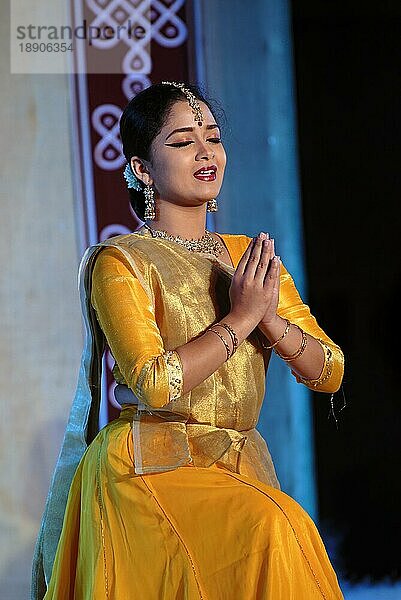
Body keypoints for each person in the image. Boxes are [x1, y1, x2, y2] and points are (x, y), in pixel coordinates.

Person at [32, 82, 345, 599]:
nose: (205, 152)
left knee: (278, 527)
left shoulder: (248, 255)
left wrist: (267, 318)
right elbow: (155, 385)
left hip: (235, 466)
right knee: (275, 527)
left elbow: (329, 370)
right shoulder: (121, 261)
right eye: (182, 142)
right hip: (148, 469)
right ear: (141, 169)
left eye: (213, 137)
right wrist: (241, 319)